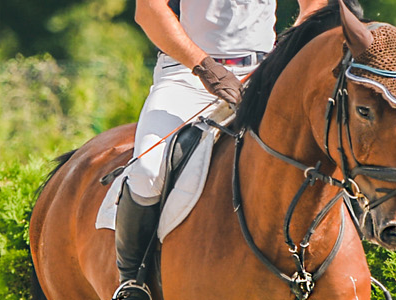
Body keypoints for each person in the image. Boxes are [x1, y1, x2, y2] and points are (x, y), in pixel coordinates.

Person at [118, 0, 325, 298]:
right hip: (186, 76)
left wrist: (284, 53)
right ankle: (132, 280)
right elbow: (148, 11)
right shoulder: (193, 71)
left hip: (265, 73)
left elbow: (316, 5)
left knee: (327, 145)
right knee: (147, 172)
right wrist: (205, 67)